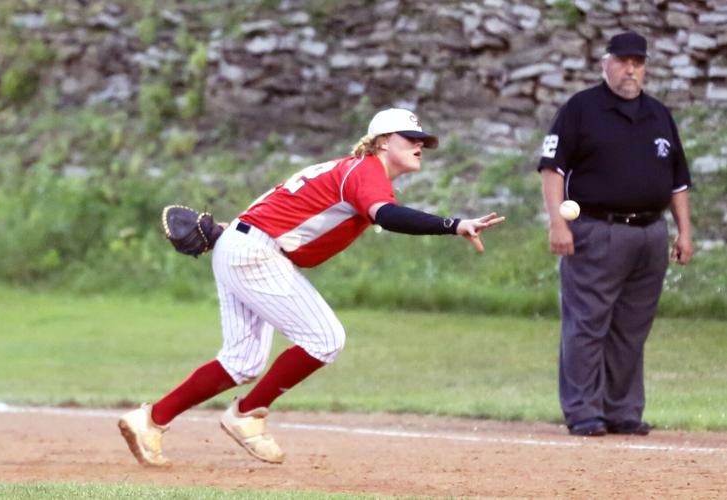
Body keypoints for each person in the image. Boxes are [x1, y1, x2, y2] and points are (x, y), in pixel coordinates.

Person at [118, 108, 505, 466]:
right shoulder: (365, 171)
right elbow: (386, 215)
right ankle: (247, 414)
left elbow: (285, 206)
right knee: (325, 339)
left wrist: (230, 232)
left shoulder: (348, 169)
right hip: (254, 251)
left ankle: (149, 421)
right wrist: (453, 225)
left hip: (240, 244)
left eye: (422, 140)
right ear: (384, 141)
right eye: (410, 138)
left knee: (242, 362)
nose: (419, 145)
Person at [537, 32, 693, 437]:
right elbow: (552, 168)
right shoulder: (581, 108)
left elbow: (678, 181)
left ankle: (622, 410)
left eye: (637, 63)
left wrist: (684, 232)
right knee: (587, 324)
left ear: (645, 68)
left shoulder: (658, 114)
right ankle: (583, 411)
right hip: (596, 230)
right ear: (605, 63)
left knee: (632, 328)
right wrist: (557, 223)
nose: (630, 70)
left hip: (651, 234)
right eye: (623, 61)